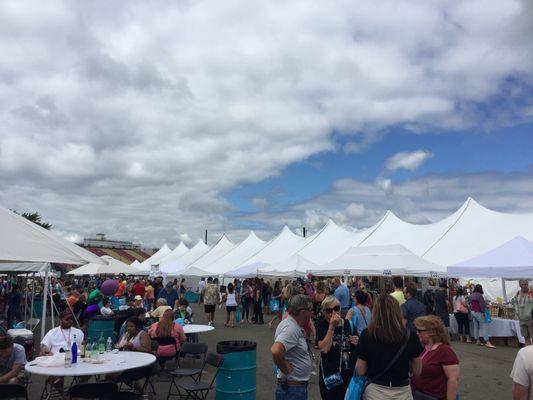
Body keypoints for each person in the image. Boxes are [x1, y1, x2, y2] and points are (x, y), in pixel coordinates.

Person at [356, 294, 422, 400]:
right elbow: (417, 370)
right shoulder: (410, 336)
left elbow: (360, 370)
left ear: (375, 312)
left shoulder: (367, 335)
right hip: (402, 391)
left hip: (375, 391)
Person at [271, 295, 314, 400]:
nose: (311, 313)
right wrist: (284, 366)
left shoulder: (290, 324)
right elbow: (276, 350)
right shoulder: (291, 328)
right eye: (310, 310)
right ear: (303, 312)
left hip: (292, 388)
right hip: (293, 389)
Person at [316, 296, 358, 399]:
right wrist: (331, 326)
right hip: (330, 375)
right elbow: (324, 349)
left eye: (336, 308)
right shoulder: (321, 325)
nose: (333, 312)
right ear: (324, 312)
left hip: (348, 375)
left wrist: (356, 341)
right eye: (329, 310)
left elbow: (357, 348)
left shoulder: (348, 324)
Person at [411, 315, 460, 400]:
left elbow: (453, 379)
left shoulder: (444, 351)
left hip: (435, 396)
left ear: (431, 332)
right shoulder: (422, 348)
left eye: (419, 331)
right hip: (418, 394)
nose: (417, 333)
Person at [470, 284, 495, 348]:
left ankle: (477, 340)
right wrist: (485, 312)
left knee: (476, 326)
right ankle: (487, 341)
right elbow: (482, 305)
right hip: (478, 312)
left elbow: (470, 304)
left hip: (472, 312)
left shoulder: (471, 295)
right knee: (485, 325)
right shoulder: (479, 295)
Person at [511, 279, 533, 346]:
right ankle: (528, 353)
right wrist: (517, 312)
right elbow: (514, 302)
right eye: (522, 284)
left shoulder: (531, 292)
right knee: (526, 337)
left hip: (531, 319)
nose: (524, 286)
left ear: (527, 284)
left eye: (525, 284)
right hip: (522, 320)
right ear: (519, 285)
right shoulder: (518, 293)